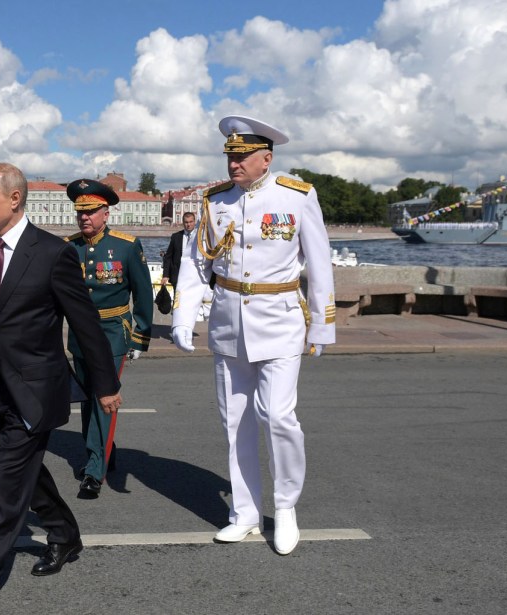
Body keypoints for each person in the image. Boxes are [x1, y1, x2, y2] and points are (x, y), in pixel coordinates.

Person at [0, 163, 122, 615]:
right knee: (25, 473)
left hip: (37, 390)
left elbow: (85, 324)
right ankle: (65, 534)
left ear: (15, 199)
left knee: (6, 486)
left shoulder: (53, 254)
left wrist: (105, 385)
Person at [171, 116, 336, 556]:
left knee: (278, 417)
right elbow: (194, 264)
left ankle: (285, 508)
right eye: (230, 156)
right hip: (228, 323)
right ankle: (243, 513)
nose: (234, 164)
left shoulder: (297, 197)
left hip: (280, 320)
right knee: (236, 421)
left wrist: (322, 323)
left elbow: (319, 263)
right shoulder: (215, 201)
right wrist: (183, 318)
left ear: (267, 158)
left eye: (243, 157)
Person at [65, 178, 153, 498]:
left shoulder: (127, 246)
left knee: (105, 400)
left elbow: (143, 295)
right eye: (79, 212)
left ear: (106, 213)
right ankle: (104, 450)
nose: (84, 218)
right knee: (89, 399)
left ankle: (94, 469)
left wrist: (140, 337)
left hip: (113, 332)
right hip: (79, 335)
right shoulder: (69, 247)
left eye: (90, 212)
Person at [160, 211, 197, 290]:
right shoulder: (176, 237)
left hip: (194, 276)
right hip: (178, 276)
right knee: (177, 300)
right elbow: (168, 257)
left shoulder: (200, 237)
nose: (188, 225)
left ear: (194, 222)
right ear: (183, 223)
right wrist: (165, 275)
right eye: (186, 222)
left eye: (191, 222)